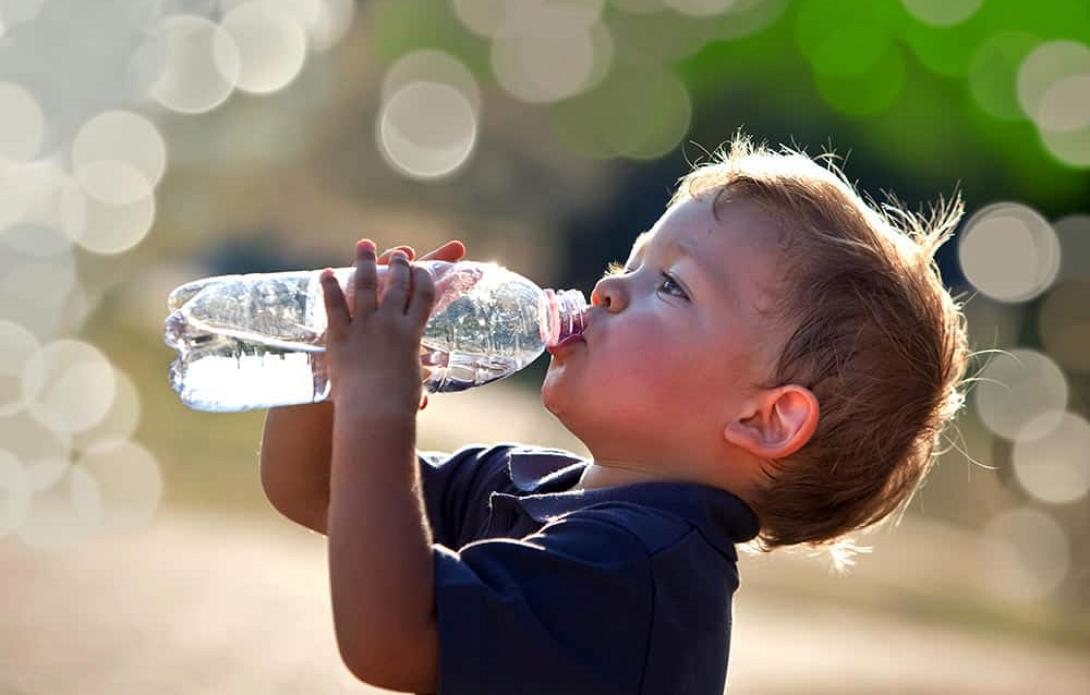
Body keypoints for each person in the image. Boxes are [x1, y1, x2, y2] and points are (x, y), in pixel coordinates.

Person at [258, 131, 972, 694]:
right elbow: (316, 484)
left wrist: (382, 407)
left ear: (766, 419)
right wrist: (333, 368)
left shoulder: (639, 573)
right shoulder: (532, 483)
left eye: (669, 285)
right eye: (629, 261)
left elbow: (390, 639)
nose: (605, 288)